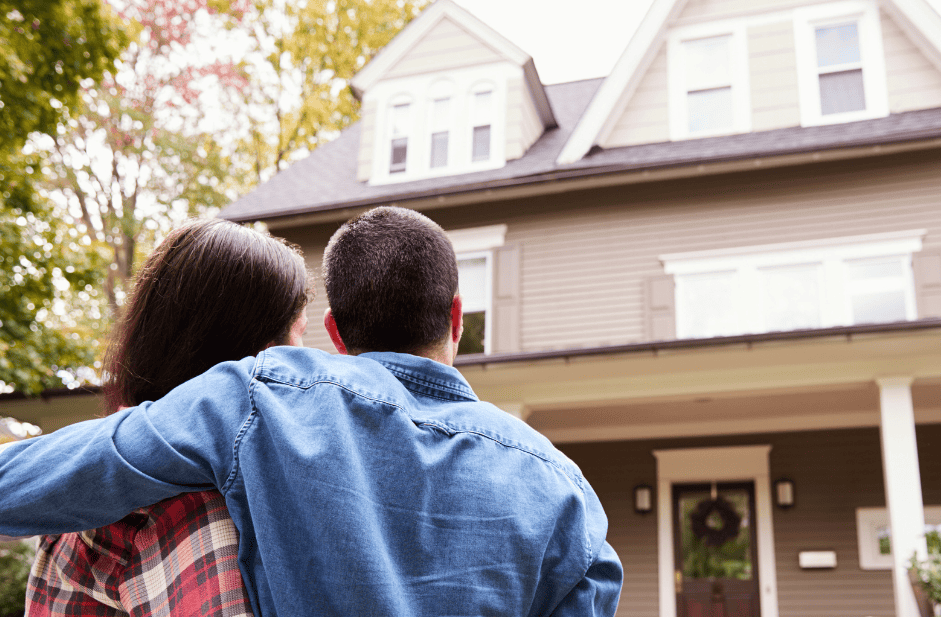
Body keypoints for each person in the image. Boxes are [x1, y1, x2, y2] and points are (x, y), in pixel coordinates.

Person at [0, 207, 623, 617]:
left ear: (334, 329)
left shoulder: (255, 398)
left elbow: (53, 475)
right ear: (457, 316)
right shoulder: (567, 492)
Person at [26, 218, 310, 617]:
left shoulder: (86, 478)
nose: (309, 360)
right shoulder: (201, 509)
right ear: (260, 355)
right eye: (298, 334)